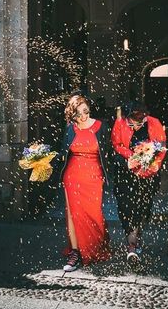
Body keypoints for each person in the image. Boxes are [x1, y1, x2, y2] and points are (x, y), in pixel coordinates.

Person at [59, 95, 112, 272]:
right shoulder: (70, 128)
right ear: (72, 114)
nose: (83, 117)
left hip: (94, 175)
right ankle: (75, 252)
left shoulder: (101, 126)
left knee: (94, 213)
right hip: (72, 175)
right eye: (78, 113)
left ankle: (95, 247)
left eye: (85, 112)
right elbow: (63, 153)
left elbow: (109, 153)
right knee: (74, 215)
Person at [111, 101, 166, 261]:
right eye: (132, 123)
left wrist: (149, 161)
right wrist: (129, 158)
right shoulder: (120, 122)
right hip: (125, 174)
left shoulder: (154, 123)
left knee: (142, 209)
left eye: (139, 123)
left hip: (147, 175)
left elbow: (160, 148)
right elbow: (116, 145)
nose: (135, 127)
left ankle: (134, 242)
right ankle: (132, 245)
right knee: (126, 208)